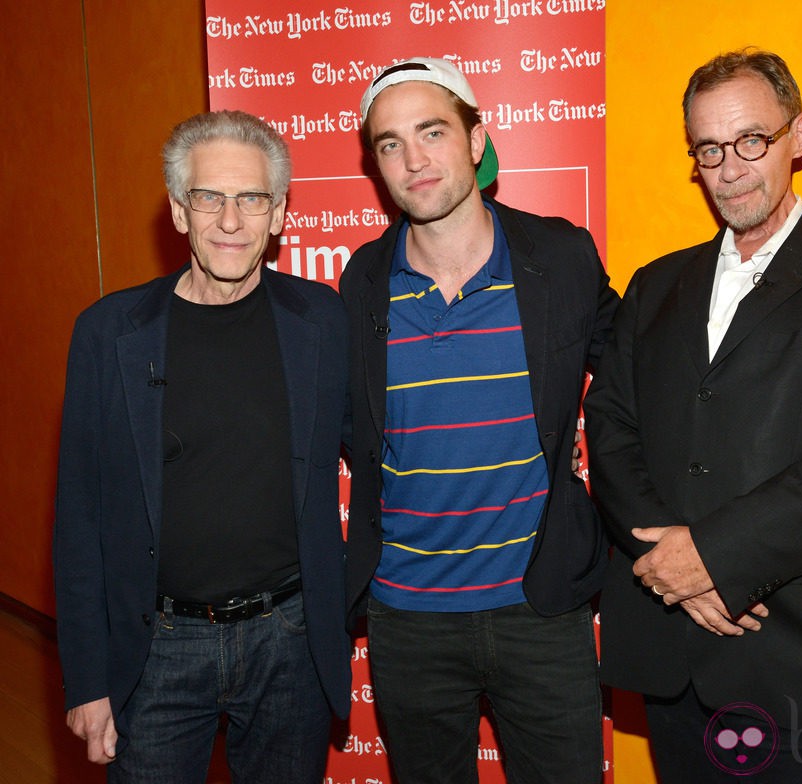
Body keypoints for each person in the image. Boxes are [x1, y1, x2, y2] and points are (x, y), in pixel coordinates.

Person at [584, 48, 802, 783]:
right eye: (708, 148)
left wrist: (712, 560)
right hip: (671, 645)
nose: (729, 167)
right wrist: (669, 567)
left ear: (797, 136)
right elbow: (611, 428)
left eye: (751, 140)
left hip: (797, 656)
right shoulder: (655, 286)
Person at [340, 57, 619, 783]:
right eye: (390, 143)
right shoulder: (361, 283)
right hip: (407, 618)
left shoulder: (560, 258)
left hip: (543, 607)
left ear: (476, 140)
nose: (413, 159)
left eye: (432, 131)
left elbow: (637, 382)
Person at [53, 109, 350, 783]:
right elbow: (79, 517)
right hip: (155, 649)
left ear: (278, 214)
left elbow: (383, 445)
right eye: (209, 198)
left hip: (290, 643)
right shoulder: (109, 333)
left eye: (250, 199)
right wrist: (86, 680)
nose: (229, 221)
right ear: (179, 211)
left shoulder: (322, 320)